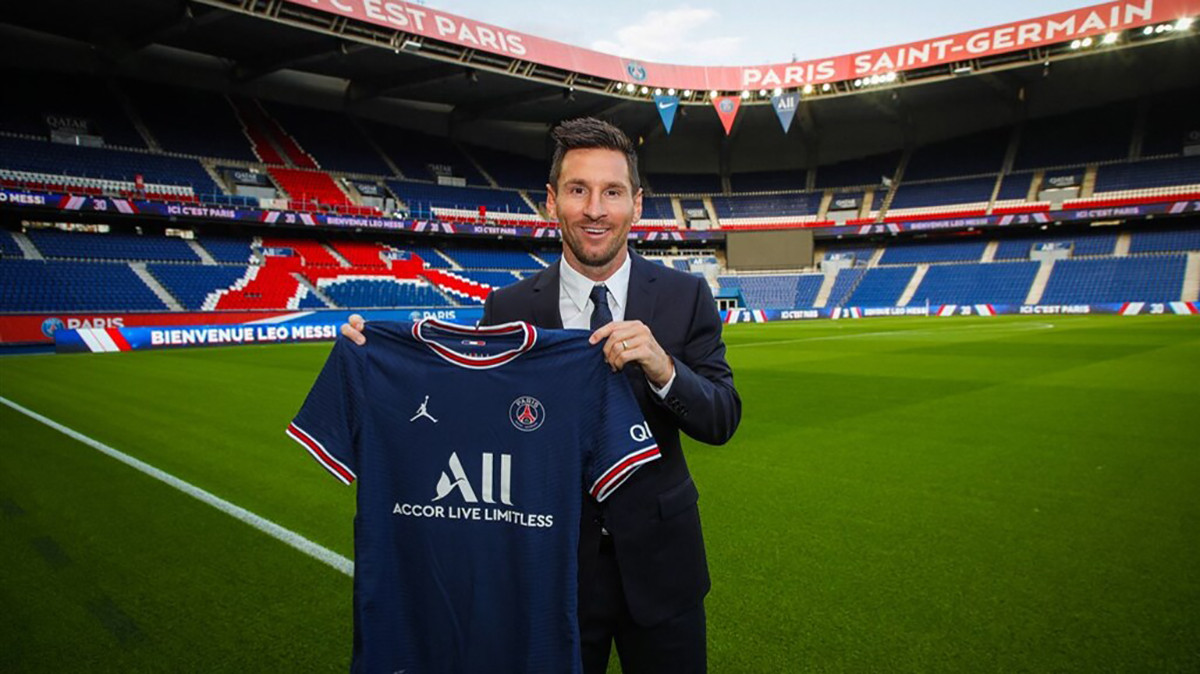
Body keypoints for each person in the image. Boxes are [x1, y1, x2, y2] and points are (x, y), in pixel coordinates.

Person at [341, 117, 741, 674]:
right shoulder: (507, 310)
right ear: (551, 202)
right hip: (548, 576)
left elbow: (723, 417)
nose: (595, 209)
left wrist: (663, 367)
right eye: (578, 190)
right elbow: (467, 424)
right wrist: (377, 362)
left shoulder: (685, 295)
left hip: (662, 568)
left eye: (612, 192)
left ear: (637, 204)